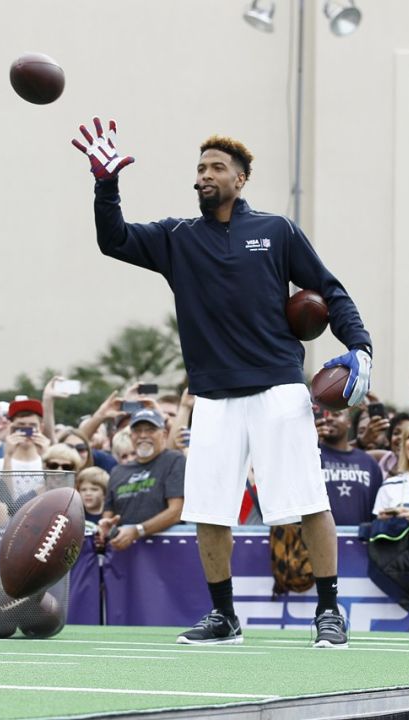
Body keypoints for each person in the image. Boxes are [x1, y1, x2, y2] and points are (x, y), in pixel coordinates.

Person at [76, 122, 372, 647]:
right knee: (210, 509)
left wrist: (360, 347)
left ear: (240, 178)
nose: (205, 176)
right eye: (199, 168)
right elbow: (113, 239)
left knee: (308, 500)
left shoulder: (277, 231)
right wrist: (106, 185)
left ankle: (329, 610)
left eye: (216, 168)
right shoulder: (177, 238)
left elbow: (327, 289)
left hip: (279, 386)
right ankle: (224, 616)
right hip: (212, 395)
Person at [96, 409, 185, 549]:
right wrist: (105, 528)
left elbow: (176, 512)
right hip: (124, 554)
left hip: (167, 552)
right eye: (137, 431)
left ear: (164, 434)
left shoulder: (174, 460)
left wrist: (137, 531)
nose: (143, 435)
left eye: (150, 430)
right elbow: (108, 515)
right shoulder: (117, 471)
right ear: (131, 436)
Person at [316, 406, 384, 526]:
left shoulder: (368, 462)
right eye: (325, 415)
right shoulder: (310, 458)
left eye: (336, 414)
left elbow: (377, 511)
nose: (329, 418)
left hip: (359, 540)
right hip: (318, 540)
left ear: (349, 422)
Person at [76, 466, 109, 534]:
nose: (88, 493)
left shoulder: (110, 515)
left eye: (94, 489)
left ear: (105, 493)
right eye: (83, 489)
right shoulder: (76, 516)